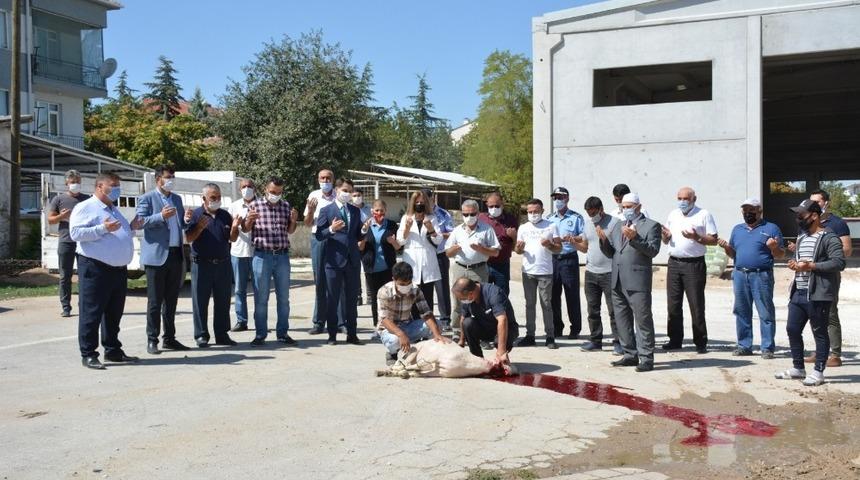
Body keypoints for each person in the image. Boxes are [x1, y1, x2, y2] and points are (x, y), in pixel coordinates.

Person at [69, 172, 142, 369]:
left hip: (118, 270)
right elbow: (75, 233)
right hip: (96, 268)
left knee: (113, 313)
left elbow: (120, 232)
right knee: (91, 312)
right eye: (113, 185)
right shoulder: (85, 207)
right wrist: (102, 229)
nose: (117, 188)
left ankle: (112, 350)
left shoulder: (113, 209)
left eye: (118, 185)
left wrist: (132, 227)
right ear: (100, 187)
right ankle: (89, 353)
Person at [775, 200, 845, 386]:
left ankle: (818, 372)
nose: (798, 219)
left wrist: (811, 266)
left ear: (814, 215)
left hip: (818, 293)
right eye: (797, 215)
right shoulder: (802, 236)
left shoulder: (829, 237)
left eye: (802, 215)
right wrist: (795, 265)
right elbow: (801, 261)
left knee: (819, 333)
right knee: (792, 329)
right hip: (799, 291)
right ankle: (798, 368)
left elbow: (839, 263)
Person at [601, 193, 661, 372]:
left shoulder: (652, 226)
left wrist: (635, 238)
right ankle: (629, 354)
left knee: (642, 320)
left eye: (629, 207)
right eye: (623, 207)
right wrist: (603, 241)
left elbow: (652, 251)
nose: (625, 210)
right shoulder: (618, 225)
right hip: (618, 279)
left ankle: (646, 358)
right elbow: (612, 252)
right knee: (622, 319)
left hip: (637, 280)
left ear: (638, 207)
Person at [717, 198, 784, 359]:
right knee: (741, 311)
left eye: (751, 211)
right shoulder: (737, 229)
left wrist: (774, 248)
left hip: (761, 275)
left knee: (765, 312)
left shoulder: (771, 228)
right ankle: (744, 345)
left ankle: (767, 347)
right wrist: (726, 248)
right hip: (740, 274)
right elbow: (733, 254)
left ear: (759, 211)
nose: (748, 214)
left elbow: (781, 255)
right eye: (745, 211)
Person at [136, 165, 191, 355]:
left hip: (176, 254)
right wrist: (160, 216)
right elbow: (140, 222)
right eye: (168, 177)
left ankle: (170, 338)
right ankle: (153, 339)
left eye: (173, 177)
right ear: (158, 179)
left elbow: (180, 224)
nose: (171, 180)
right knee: (155, 301)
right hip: (157, 257)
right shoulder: (147, 198)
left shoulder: (176, 198)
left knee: (172, 300)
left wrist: (187, 219)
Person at [660, 187, 718, 354]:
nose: (682, 202)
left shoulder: (704, 214)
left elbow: (713, 240)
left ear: (694, 198)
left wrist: (696, 238)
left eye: (686, 198)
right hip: (674, 263)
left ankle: (700, 342)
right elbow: (666, 240)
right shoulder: (673, 214)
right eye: (679, 198)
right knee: (673, 305)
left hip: (694, 265)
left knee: (696, 304)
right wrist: (665, 235)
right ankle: (675, 340)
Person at [245, 177, 299, 346]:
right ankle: (260, 334)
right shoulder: (255, 206)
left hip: (282, 256)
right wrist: (249, 220)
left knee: (284, 298)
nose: (276, 195)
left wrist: (293, 220)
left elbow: (290, 230)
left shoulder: (285, 206)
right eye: (273, 192)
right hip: (262, 256)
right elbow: (245, 228)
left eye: (279, 192)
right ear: (265, 190)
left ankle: (282, 333)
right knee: (261, 298)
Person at [803, 189, 853, 367]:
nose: (813, 205)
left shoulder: (837, 223)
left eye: (817, 202)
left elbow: (846, 250)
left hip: (828, 275)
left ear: (826, 203)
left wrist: (823, 258)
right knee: (814, 312)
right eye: (811, 202)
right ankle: (821, 350)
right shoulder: (808, 222)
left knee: (830, 313)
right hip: (809, 274)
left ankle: (835, 354)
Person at [185, 184, 239, 348]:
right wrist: (199, 227)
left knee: (223, 301)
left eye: (218, 197)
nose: (216, 200)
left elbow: (232, 239)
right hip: (202, 264)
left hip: (223, 264)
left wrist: (235, 227)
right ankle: (201, 335)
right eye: (212, 198)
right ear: (204, 199)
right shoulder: (195, 215)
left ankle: (222, 335)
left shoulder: (224, 215)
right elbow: (189, 238)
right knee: (200, 301)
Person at [315, 178, 365, 345]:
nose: (347, 193)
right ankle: (332, 335)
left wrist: (364, 230)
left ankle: (352, 334)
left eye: (350, 191)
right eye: (344, 190)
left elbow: (358, 234)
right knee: (333, 299)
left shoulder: (355, 211)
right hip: (333, 261)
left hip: (352, 261)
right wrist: (331, 229)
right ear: (336, 190)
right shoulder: (326, 210)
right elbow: (319, 235)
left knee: (352, 299)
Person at [445, 199, 500, 337]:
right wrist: (454, 249)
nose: (469, 217)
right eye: (465, 214)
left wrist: (481, 249)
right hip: (460, 268)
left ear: (478, 213)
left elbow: (495, 252)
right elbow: (447, 252)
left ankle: (483, 333)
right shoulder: (457, 230)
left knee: (481, 301)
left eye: (472, 214)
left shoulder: (486, 229)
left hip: (479, 269)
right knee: (458, 300)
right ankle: (457, 331)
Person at [377, 262, 449, 365]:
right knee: (394, 341)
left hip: (407, 325)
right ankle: (392, 354)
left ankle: (424, 350)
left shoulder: (415, 289)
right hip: (389, 329)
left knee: (437, 326)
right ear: (394, 279)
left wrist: (437, 334)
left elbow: (426, 313)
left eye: (408, 283)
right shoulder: (384, 291)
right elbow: (384, 320)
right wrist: (400, 334)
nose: (406, 286)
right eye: (402, 284)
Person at [574, 196, 621, 354]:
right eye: (588, 213)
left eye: (593, 212)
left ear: (601, 209)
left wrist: (604, 239)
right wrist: (574, 243)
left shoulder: (614, 223)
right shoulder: (588, 225)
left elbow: (617, 250)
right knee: (593, 310)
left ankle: (619, 342)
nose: (591, 216)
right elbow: (586, 247)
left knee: (614, 310)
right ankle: (596, 340)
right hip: (591, 273)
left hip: (609, 273)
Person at [514, 199, 561, 349]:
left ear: (542, 211)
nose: (533, 214)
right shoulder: (523, 228)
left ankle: (550, 336)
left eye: (536, 211)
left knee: (546, 304)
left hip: (545, 271)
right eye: (530, 212)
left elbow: (559, 248)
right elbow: (518, 250)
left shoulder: (551, 225)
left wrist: (551, 245)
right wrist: (519, 249)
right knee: (529, 304)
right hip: (528, 271)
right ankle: (530, 335)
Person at [47, 169, 89, 317]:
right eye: (73, 182)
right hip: (66, 241)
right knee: (65, 275)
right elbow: (50, 219)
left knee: (85, 275)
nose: (75, 184)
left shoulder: (86, 199)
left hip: (83, 242)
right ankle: (66, 306)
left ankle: (84, 305)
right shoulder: (58, 199)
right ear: (67, 183)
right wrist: (62, 216)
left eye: (78, 182)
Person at [396, 190, 443, 320]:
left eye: (422, 202)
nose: (419, 204)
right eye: (417, 202)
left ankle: (428, 328)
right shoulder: (406, 218)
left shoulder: (432, 218)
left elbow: (438, 240)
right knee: (412, 296)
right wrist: (406, 228)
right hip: (411, 259)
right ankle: (415, 327)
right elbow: (400, 241)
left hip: (427, 259)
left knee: (427, 296)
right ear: (412, 203)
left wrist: (431, 229)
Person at [547, 186, 585, 339]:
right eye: (555, 198)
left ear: (567, 198)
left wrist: (573, 238)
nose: (557, 200)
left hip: (569, 259)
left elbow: (583, 237)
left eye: (560, 197)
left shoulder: (576, 217)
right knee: (553, 295)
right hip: (553, 259)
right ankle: (557, 327)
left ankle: (575, 328)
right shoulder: (549, 218)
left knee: (572, 294)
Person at [451, 277, 519, 362]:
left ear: (471, 293)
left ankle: (503, 356)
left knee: (499, 344)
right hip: (486, 328)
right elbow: (463, 319)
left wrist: (501, 350)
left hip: (506, 329)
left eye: (462, 299)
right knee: (467, 323)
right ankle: (478, 359)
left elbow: (502, 320)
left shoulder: (494, 293)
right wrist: (461, 341)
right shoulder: (467, 297)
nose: (461, 301)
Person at [303, 169, 338, 335]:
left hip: (337, 240)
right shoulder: (313, 195)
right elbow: (308, 223)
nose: (325, 180)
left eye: (328, 178)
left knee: (337, 280)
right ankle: (318, 322)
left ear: (333, 179)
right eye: (322, 178)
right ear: (318, 179)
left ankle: (339, 321)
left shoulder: (340, 194)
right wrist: (310, 211)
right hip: (319, 240)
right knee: (320, 281)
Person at [358, 200, 400, 327]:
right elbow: (360, 248)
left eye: (382, 210)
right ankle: (378, 325)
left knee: (390, 297)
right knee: (376, 299)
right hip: (371, 268)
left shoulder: (392, 225)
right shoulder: (365, 226)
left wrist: (393, 241)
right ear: (372, 211)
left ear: (385, 211)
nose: (379, 213)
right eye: (377, 210)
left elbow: (398, 247)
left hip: (388, 268)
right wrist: (363, 240)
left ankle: (392, 324)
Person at [228, 178, 257, 332]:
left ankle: (260, 320)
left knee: (259, 289)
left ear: (255, 189)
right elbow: (230, 232)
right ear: (240, 190)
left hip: (258, 253)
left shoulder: (262, 205)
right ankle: (241, 321)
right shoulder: (233, 207)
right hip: (238, 252)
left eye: (250, 186)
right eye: (244, 187)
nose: (247, 189)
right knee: (239, 289)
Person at [424, 188, 455, 331]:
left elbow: (451, 233)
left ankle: (445, 319)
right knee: (425, 288)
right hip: (425, 256)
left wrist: (437, 234)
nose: (424, 201)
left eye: (426, 197)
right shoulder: (418, 213)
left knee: (442, 288)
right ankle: (428, 318)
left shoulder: (443, 214)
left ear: (433, 197)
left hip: (440, 254)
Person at [479, 191, 518, 296]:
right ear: (486, 205)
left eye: (497, 206)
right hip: (483, 264)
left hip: (502, 265)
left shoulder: (511, 219)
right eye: (491, 206)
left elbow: (516, 247)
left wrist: (514, 236)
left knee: (502, 295)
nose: (494, 208)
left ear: (502, 204)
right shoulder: (480, 218)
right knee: (483, 294)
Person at [351, 189, 372, 306]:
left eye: (359, 195)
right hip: (354, 242)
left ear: (362, 196)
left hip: (368, 241)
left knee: (368, 268)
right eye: (354, 195)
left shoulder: (369, 209)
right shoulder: (349, 209)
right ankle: (358, 295)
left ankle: (370, 295)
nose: (357, 197)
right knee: (355, 269)